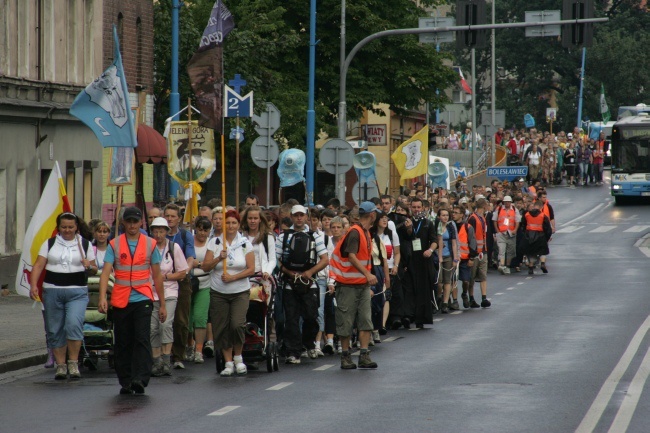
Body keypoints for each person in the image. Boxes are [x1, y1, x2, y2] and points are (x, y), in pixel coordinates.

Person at [98, 207, 166, 395]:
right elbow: (105, 273)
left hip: (143, 297)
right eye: (129, 221)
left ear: (141, 223)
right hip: (121, 298)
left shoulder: (150, 244)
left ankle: (140, 379)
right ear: (124, 223)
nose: (132, 225)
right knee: (123, 340)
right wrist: (103, 297)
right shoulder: (115, 244)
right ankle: (126, 380)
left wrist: (162, 304)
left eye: (135, 222)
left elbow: (158, 276)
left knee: (142, 338)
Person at [29, 212, 96, 380]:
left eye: (71, 227)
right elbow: (38, 265)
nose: (67, 230)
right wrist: (33, 285)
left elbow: (94, 268)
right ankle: (61, 365)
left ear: (77, 227)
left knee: (74, 324)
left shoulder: (85, 245)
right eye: (64, 227)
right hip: (52, 290)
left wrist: (89, 266)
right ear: (58, 227)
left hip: (77, 291)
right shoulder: (50, 243)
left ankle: (73, 362)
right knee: (54, 328)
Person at [202, 210, 255, 376]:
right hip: (219, 292)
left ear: (238, 225)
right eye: (227, 223)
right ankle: (228, 362)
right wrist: (219, 258)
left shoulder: (245, 243)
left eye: (233, 223)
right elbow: (205, 266)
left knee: (237, 324)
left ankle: (238, 357)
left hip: (240, 291)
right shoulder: (215, 242)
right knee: (222, 327)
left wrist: (233, 277)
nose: (230, 226)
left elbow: (251, 269)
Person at [275, 205, 329, 364]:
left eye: (302, 215)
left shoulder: (315, 236)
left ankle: (307, 343)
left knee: (311, 316)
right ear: (291, 217)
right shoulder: (283, 237)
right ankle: (294, 351)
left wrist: (310, 272)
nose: (299, 218)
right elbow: (276, 259)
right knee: (291, 318)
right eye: (296, 215)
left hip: (309, 283)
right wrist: (287, 271)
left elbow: (325, 259)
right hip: (289, 283)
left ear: (306, 217)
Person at [329, 202, 379, 369]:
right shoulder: (355, 232)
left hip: (362, 285)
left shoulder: (365, 232)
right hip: (347, 285)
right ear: (371, 215)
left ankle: (364, 355)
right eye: (375, 213)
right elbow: (351, 256)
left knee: (365, 320)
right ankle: (345, 357)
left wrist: (366, 278)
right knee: (346, 322)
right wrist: (367, 274)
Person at [149, 217, 188, 377]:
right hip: (150, 293)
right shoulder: (148, 248)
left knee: (165, 325)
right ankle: (156, 360)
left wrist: (164, 277)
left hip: (169, 291)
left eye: (161, 231)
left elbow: (183, 272)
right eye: (155, 231)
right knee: (153, 328)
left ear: (167, 232)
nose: (158, 234)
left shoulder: (174, 247)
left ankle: (166, 360)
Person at [163, 203, 196, 369]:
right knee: (163, 319)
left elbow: (191, 257)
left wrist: (185, 270)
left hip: (181, 280)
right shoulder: (157, 235)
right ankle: (162, 354)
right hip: (161, 280)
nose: (170, 219)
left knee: (181, 320)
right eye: (167, 216)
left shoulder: (185, 235)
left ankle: (178, 356)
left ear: (179, 218)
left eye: (173, 216)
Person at [401, 197, 438, 328]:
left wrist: (430, 250)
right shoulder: (407, 222)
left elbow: (434, 241)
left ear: (422, 208)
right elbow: (407, 237)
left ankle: (421, 318)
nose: (416, 210)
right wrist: (409, 228)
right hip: (410, 260)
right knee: (409, 289)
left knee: (423, 290)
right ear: (410, 207)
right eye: (414, 207)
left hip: (424, 260)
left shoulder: (428, 223)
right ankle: (408, 316)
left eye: (418, 207)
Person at [188, 216, 212, 363]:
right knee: (188, 318)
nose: (202, 233)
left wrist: (199, 264)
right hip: (189, 283)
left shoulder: (212, 243)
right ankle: (189, 346)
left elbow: (211, 263)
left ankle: (198, 350)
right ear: (195, 228)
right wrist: (198, 264)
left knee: (200, 317)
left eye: (205, 230)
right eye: (200, 229)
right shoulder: (189, 240)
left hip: (205, 283)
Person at [467, 198, 491, 308]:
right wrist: (473, 252)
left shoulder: (482, 218)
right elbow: (471, 236)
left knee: (483, 275)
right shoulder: (473, 218)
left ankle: (484, 298)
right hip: (475, 252)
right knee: (471, 276)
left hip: (483, 251)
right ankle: (471, 298)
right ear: (484, 206)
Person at [521, 201, 553, 275]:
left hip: (529, 235)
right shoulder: (543, 216)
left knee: (531, 252)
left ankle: (531, 266)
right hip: (540, 235)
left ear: (534, 206)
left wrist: (525, 234)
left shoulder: (527, 215)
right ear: (541, 207)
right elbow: (548, 228)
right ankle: (542, 263)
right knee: (543, 251)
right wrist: (547, 237)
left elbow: (523, 225)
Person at [436, 208, 458, 313]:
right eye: (443, 215)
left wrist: (455, 258)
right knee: (439, 281)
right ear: (439, 216)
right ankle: (438, 298)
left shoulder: (450, 227)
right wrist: (439, 257)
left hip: (448, 255)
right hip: (438, 256)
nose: (445, 217)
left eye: (447, 215)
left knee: (447, 280)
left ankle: (445, 302)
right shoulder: (437, 226)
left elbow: (454, 243)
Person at [492, 196, 520, 275]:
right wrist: (497, 230)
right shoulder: (499, 209)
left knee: (510, 251)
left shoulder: (515, 210)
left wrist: (515, 230)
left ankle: (507, 266)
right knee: (501, 250)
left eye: (508, 202)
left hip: (511, 234)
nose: (507, 203)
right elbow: (495, 220)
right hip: (501, 233)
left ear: (511, 202)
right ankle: (502, 265)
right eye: (506, 202)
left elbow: (517, 221)